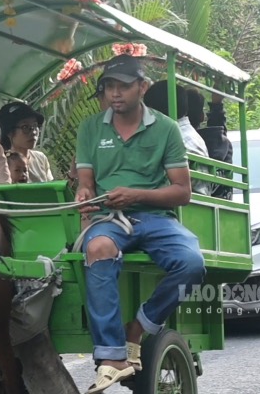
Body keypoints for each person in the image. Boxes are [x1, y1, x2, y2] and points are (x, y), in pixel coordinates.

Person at [74, 54, 205, 394]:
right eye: (109, 87)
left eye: (123, 86)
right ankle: (112, 357)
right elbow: (85, 180)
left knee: (191, 263)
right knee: (97, 248)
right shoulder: (90, 127)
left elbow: (182, 192)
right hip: (109, 217)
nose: (115, 94)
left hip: (155, 217)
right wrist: (85, 193)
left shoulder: (166, 128)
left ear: (142, 87)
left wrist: (135, 195)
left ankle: (139, 329)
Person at [144, 81, 211, 195]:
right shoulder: (190, 134)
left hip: (185, 202)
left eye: (148, 109)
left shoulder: (175, 137)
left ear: (157, 110)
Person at [186, 87, 234, 199]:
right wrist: (217, 103)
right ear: (202, 117)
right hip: (222, 201)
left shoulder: (181, 140)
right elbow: (216, 132)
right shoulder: (217, 142)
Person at [0, 101, 54, 183]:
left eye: (35, 126)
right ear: (9, 132)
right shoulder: (1, 162)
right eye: (25, 127)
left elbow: (52, 190)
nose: (33, 132)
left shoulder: (40, 158)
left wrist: (71, 177)